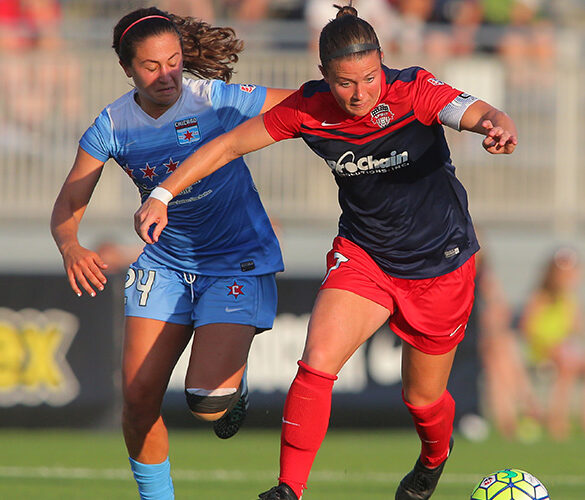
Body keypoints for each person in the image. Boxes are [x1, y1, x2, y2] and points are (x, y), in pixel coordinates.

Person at [134, 3, 518, 499]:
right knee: (316, 363)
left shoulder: (415, 90)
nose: (360, 94)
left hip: (440, 264)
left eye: (369, 77)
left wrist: (497, 124)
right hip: (366, 257)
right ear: (323, 76)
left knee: (422, 400)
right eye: (344, 83)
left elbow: (477, 111)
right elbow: (227, 146)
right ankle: (289, 489)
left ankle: (432, 459)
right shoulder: (309, 108)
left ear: (383, 61)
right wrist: (163, 193)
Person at [50, 7, 292, 500]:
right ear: (127, 70)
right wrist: (71, 245)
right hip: (164, 265)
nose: (168, 75)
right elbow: (69, 204)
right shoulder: (111, 126)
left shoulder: (214, 98)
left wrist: (364, 97)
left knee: (208, 404)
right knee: (138, 399)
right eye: (151, 66)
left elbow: (302, 105)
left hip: (234, 262)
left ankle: (232, 392)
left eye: (175, 60)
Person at [520, 247, 585, 441]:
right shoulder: (541, 297)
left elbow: (575, 326)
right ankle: (557, 420)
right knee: (566, 366)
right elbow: (528, 327)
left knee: (572, 362)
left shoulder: (568, 299)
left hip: (563, 350)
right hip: (543, 350)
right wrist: (550, 344)